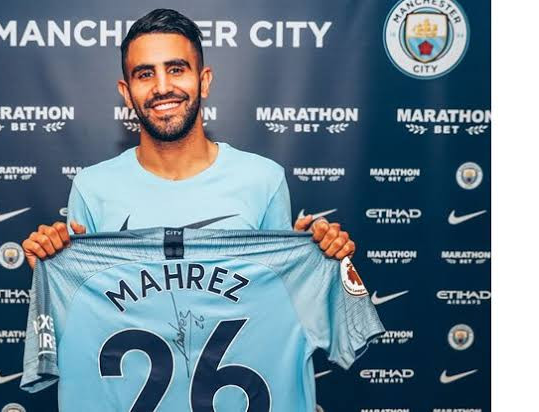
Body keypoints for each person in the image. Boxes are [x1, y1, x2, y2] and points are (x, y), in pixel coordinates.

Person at [22, 8, 355, 269]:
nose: (162, 87)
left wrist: (314, 257)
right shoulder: (92, 187)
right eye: (145, 74)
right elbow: (83, 307)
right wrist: (52, 266)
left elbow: (278, 300)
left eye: (176, 69)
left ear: (204, 81)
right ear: (126, 93)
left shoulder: (263, 179)